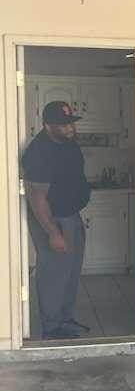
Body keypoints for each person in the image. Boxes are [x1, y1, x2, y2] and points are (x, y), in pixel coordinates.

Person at [22, 101, 92, 339]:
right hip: (53, 220)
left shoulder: (67, 144)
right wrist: (53, 232)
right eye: (63, 125)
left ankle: (65, 319)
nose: (70, 128)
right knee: (53, 273)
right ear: (47, 125)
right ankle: (52, 328)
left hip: (71, 215)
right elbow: (37, 196)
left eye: (70, 123)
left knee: (70, 271)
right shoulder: (39, 152)